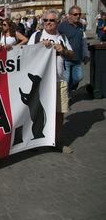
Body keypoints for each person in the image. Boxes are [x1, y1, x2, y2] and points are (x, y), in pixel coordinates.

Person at [28, 9, 74, 154]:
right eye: (45, 20)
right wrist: (39, 47)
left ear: (58, 22)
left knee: (59, 112)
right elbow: (25, 54)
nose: (48, 23)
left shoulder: (63, 37)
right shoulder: (36, 36)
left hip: (59, 81)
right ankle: (35, 141)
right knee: (38, 112)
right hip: (41, 83)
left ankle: (56, 140)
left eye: (51, 20)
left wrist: (63, 50)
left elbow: (72, 55)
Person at [58, 6, 90, 94]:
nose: (78, 16)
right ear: (69, 15)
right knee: (66, 80)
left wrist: (86, 55)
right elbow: (56, 38)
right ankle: (67, 97)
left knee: (78, 77)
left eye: (79, 14)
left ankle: (69, 91)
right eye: (75, 14)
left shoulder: (80, 25)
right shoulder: (62, 26)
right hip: (66, 58)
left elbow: (83, 41)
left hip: (77, 58)